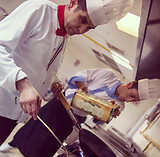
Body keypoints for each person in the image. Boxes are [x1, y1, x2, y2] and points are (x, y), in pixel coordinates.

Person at [0, 0, 134, 146]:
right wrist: (24, 85)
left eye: (89, 28)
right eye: (82, 20)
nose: (81, 30)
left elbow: (42, 66)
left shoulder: (65, 37)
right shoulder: (40, 10)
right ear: (73, 3)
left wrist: (53, 81)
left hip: (13, 113)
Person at [2, 67, 157, 157]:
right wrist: (82, 85)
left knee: (51, 142)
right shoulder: (108, 75)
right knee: (35, 126)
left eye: (133, 100)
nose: (129, 100)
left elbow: (96, 122)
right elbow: (83, 74)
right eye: (132, 96)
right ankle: (12, 143)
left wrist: (105, 113)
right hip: (61, 103)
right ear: (130, 84)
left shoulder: (118, 106)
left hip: (73, 117)